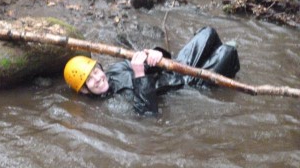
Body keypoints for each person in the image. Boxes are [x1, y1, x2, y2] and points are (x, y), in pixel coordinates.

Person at [64, 26, 240, 115]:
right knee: (228, 52)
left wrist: (154, 55)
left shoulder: (115, 69)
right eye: (90, 79)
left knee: (209, 32)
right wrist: (139, 75)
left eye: (95, 71)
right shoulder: (112, 105)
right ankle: (221, 65)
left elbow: (145, 63)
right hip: (187, 85)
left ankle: (219, 64)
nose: (97, 78)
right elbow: (148, 113)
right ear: (85, 91)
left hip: (175, 66)